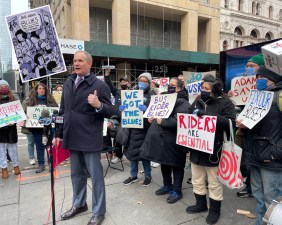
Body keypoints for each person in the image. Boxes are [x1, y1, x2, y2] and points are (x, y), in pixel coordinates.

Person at [55, 50, 113, 225]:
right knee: (76, 175)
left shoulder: (100, 85)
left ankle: (98, 211)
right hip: (71, 137)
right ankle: (79, 204)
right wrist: (58, 133)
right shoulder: (68, 82)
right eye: (74, 60)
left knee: (95, 177)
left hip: (89, 138)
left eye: (80, 60)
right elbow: (63, 110)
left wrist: (98, 105)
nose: (76, 63)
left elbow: (111, 111)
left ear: (89, 63)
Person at [186, 75, 236, 224]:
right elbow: (188, 116)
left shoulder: (226, 103)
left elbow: (229, 123)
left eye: (206, 88)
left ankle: (214, 210)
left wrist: (207, 115)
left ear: (215, 88)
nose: (203, 90)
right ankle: (200, 204)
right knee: (197, 180)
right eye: (202, 88)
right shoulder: (197, 101)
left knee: (214, 183)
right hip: (196, 149)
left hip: (214, 150)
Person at [236, 66, 282, 225]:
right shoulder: (256, 97)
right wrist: (243, 123)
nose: (257, 80)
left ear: (272, 78)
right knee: (259, 197)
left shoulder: (280, 96)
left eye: (261, 77)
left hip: (272, 159)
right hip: (255, 155)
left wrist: (277, 152)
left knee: (272, 201)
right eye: (256, 77)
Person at [140, 77, 190, 203]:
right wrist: (151, 117)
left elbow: (180, 121)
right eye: (169, 85)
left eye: (173, 85)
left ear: (179, 88)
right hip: (162, 140)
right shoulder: (163, 98)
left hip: (176, 141)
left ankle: (177, 190)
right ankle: (167, 185)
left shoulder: (183, 102)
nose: (170, 87)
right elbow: (155, 113)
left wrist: (163, 121)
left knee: (177, 165)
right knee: (164, 163)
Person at [231, 54, 265, 199]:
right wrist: (233, 96)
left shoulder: (267, 86)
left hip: (263, 132)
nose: (249, 69)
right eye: (247, 66)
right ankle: (250, 186)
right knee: (249, 157)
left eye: (253, 66)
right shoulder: (242, 85)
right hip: (249, 131)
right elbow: (242, 107)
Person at [119, 72, 154, 186]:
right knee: (132, 153)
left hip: (145, 129)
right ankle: (133, 175)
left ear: (149, 83)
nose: (142, 83)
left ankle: (148, 175)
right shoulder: (132, 93)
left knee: (144, 155)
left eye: (145, 81)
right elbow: (125, 109)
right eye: (141, 80)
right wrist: (122, 109)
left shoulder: (152, 95)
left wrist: (147, 109)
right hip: (133, 128)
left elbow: (155, 112)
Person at [22, 83, 58, 173]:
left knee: (49, 146)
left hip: (49, 128)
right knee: (39, 146)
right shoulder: (31, 101)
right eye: (40, 88)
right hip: (36, 128)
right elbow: (26, 113)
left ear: (46, 90)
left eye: (43, 89)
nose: (42, 90)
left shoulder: (51, 101)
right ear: (36, 90)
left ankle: (51, 163)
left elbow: (56, 112)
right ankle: (41, 164)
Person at [104, 71, 130, 163]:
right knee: (117, 137)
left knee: (129, 137)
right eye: (121, 82)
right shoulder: (117, 92)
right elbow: (110, 86)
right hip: (118, 118)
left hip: (129, 117)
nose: (123, 83)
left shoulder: (133, 92)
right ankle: (118, 155)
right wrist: (107, 75)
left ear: (129, 83)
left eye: (125, 82)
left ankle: (128, 154)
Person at [0, 80, 21, 179]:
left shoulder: (14, 99)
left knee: (13, 149)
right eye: (1, 86)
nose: (3, 87)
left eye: (5, 86)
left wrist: (15, 120)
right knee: (1, 150)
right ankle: (4, 169)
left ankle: (16, 166)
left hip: (11, 129)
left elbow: (19, 113)